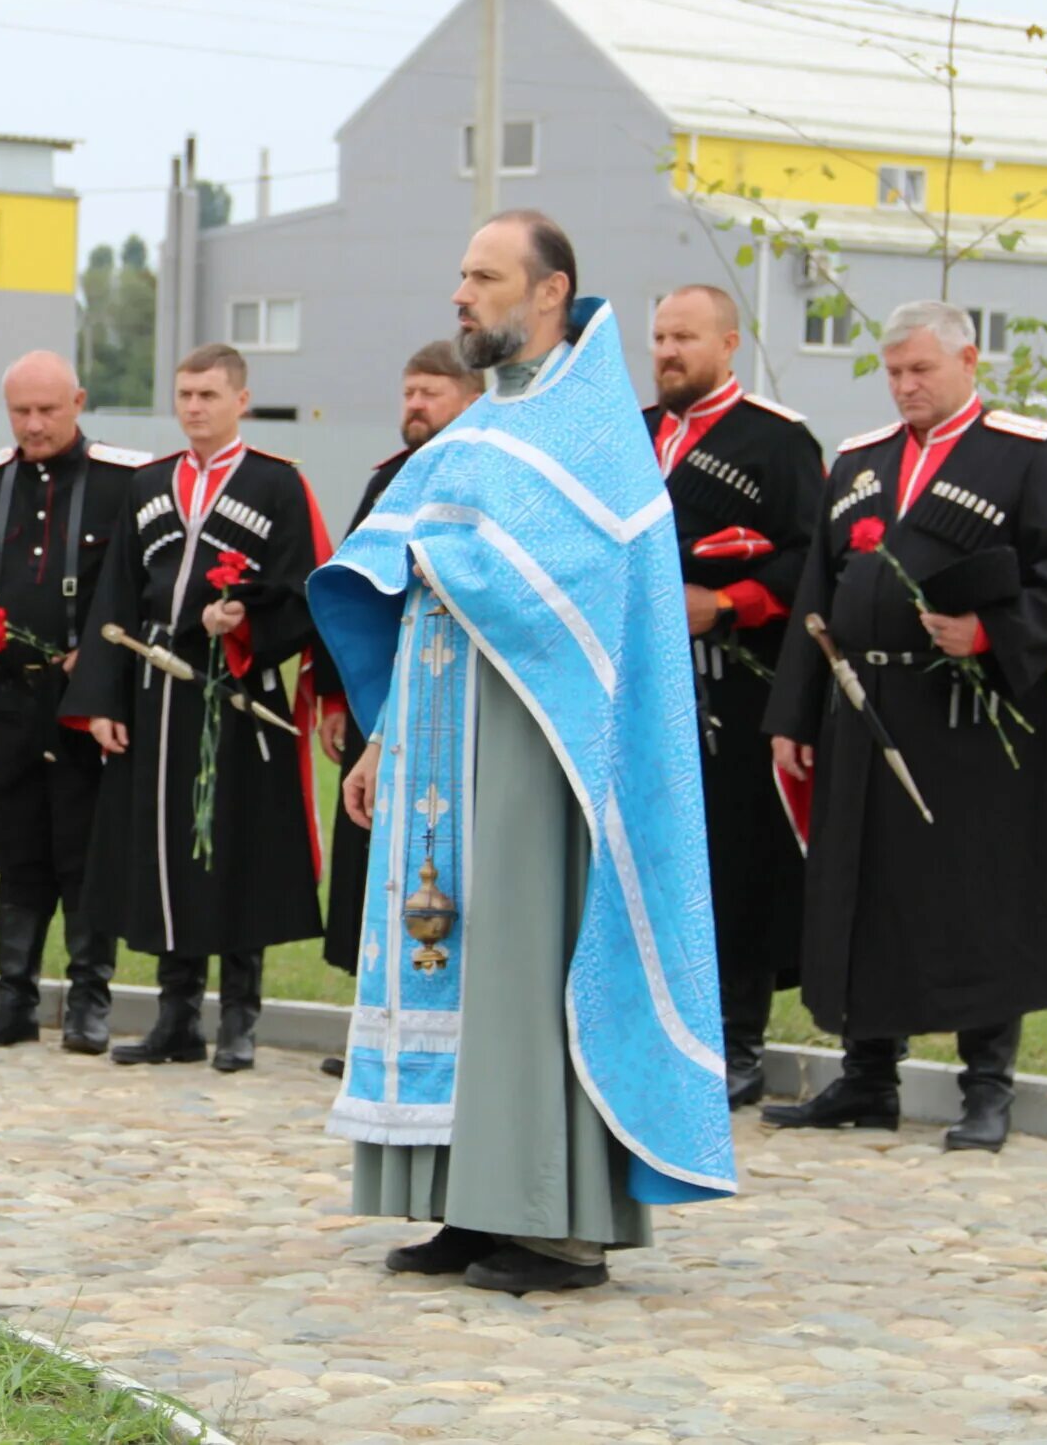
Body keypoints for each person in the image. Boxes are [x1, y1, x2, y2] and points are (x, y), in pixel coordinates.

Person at [310, 211, 735, 1296]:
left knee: (525, 969)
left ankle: (551, 1218)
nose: (461, 296)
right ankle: (462, 1199)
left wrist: (451, 548)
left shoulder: (589, 434)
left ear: (549, 294)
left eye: (484, 277)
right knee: (451, 963)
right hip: (444, 746)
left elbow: (584, 603)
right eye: (458, 275)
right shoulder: (476, 429)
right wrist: (384, 742)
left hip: (544, 754)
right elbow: (417, 594)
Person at [762, 300, 1047, 1153]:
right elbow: (818, 592)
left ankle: (987, 1086)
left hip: (974, 712)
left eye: (921, 369)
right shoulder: (858, 461)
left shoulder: (1026, 455)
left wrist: (992, 634)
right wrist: (794, 713)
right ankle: (867, 1074)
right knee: (863, 887)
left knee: (980, 895)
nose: (906, 386)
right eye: (893, 372)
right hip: (862, 708)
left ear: (967, 360)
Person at [65, 344, 327, 1072]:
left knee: (235, 847)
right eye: (184, 394)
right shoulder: (148, 483)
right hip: (154, 694)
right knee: (160, 851)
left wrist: (244, 619)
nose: (194, 407)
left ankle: (239, 1017)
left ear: (240, 400)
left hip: (233, 693)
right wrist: (102, 697)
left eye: (209, 394)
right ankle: (176, 1016)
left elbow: (306, 589)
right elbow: (114, 596)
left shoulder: (278, 486)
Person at [0, 350, 144, 1053]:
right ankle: (13, 997)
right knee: (15, 846)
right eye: (22, 411)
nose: (35, 423)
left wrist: (101, 660)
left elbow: (141, 589)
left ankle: (87, 1001)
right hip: (9, 698)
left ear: (78, 401)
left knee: (83, 850)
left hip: (87, 701)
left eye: (48, 409)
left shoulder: (125, 483)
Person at [643, 286, 822, 1108]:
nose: (668, 350)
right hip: (635, 684)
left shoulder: (776, 443)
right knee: (645, 856)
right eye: (659, 337)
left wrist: (725, 604)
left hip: (734, 682)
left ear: (730, 343)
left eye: (685, 336)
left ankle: (737, 1037)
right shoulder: (630, 433)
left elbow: (810, 559)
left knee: (735, 860)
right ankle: (648, 1028)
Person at [318, 340, 481, 1072]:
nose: (415, 405)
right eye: (409, 391)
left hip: (454, 702)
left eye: (432, 393)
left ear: (470, 399)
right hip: (382, 697)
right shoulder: (391, 479)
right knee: (374, 862)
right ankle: (376, 1014)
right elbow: (352, 580)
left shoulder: (480, 480)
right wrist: (331, 692)